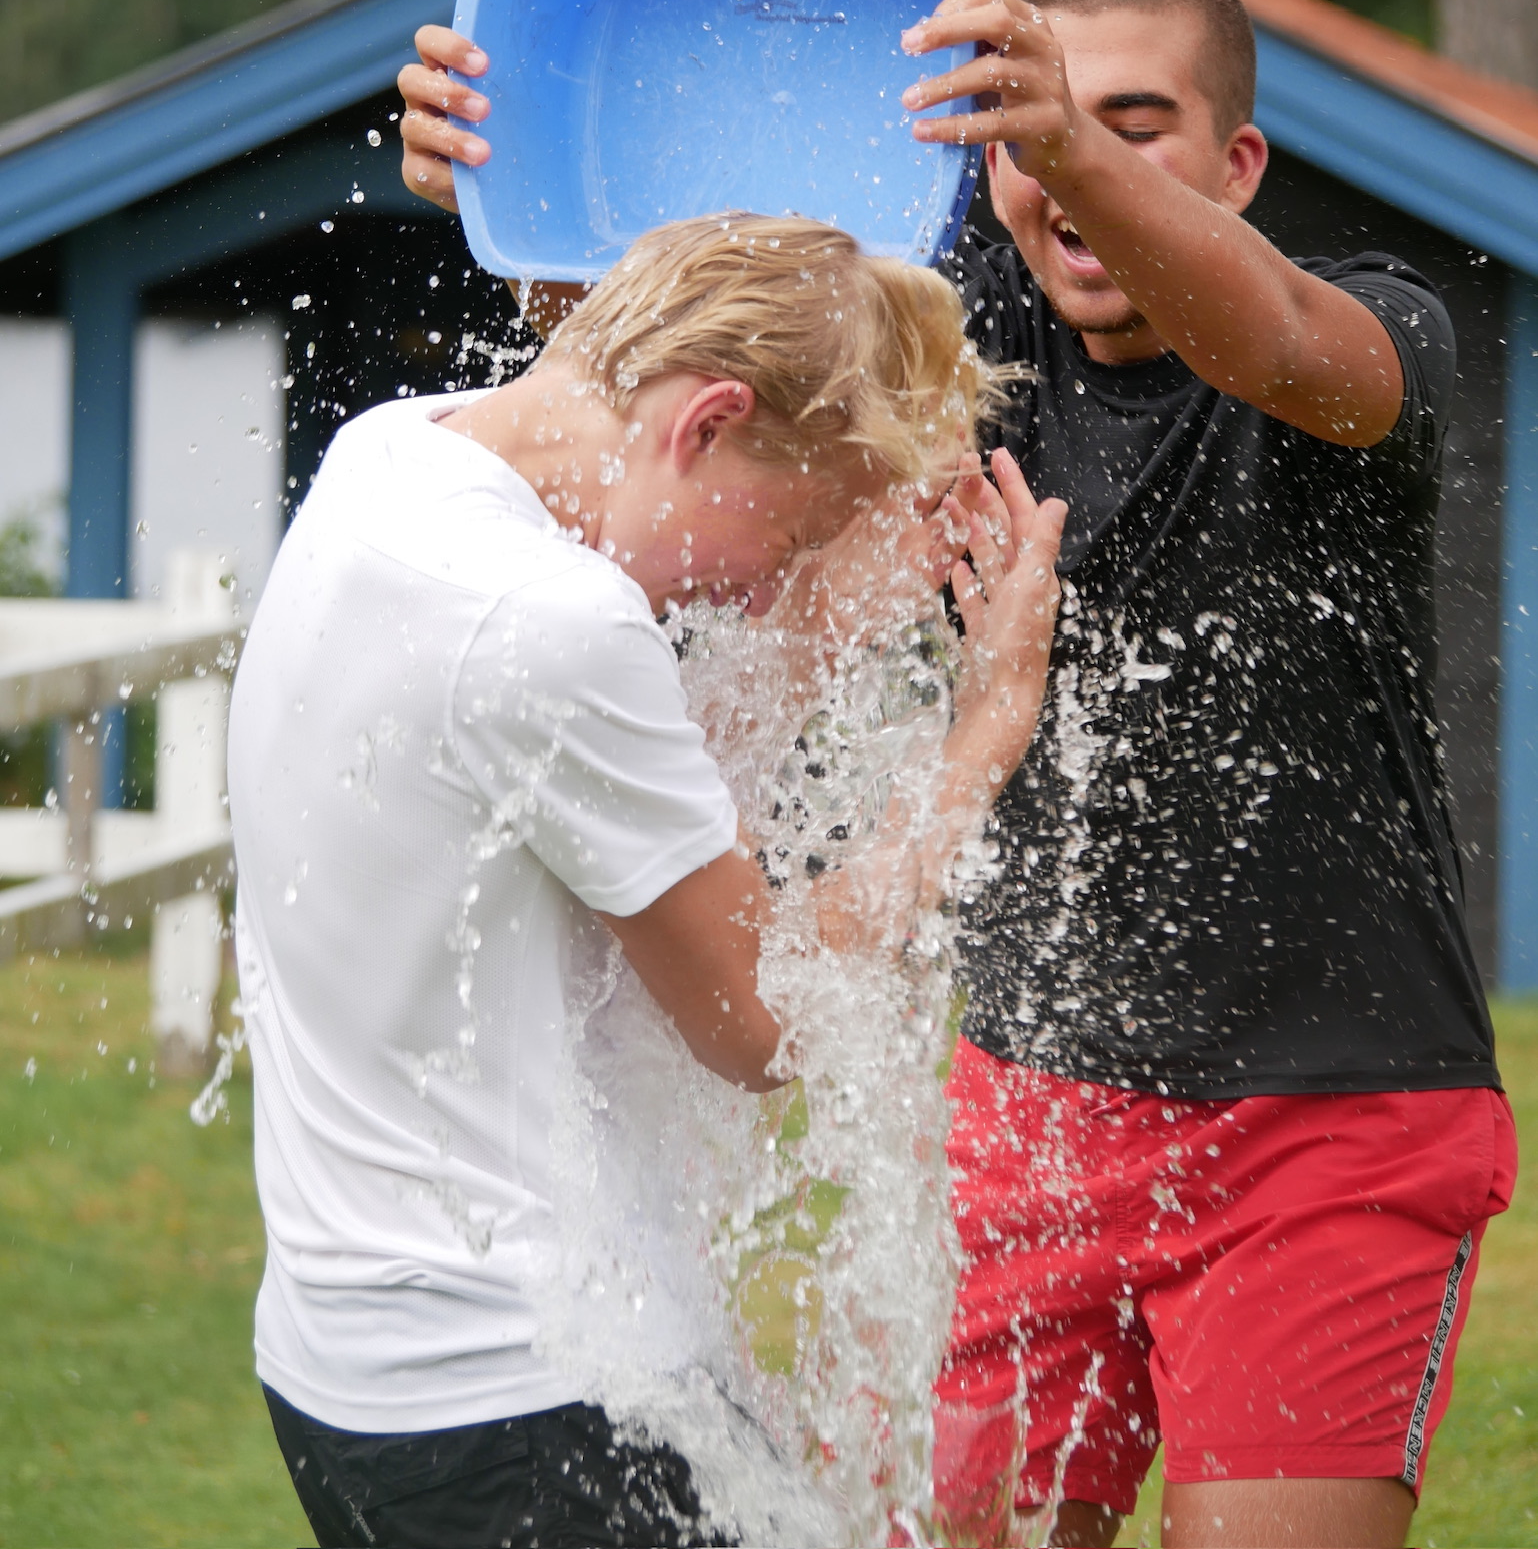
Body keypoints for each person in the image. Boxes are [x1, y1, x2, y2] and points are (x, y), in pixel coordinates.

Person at [400, 0, 1515, 1549]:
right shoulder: (961, 352)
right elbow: (676, 397)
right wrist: (520, 214)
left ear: (1237, 159)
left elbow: (1278, 346)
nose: (1079, 164)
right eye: (1039, 128)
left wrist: (1048, 132)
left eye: (1134, 122)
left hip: (1328, 1129)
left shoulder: (1376, 326)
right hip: (1031, 1107)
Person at [229, 208, 1066, 1549]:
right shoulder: (548, 623)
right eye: (785, 539)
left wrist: (811, 624)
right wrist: (984, 730)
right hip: (530, 1401)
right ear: (705, 422)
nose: (760, 593)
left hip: (360, 1375)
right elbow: (759, 1021)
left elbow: (628, 857)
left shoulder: (391, 454)